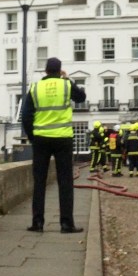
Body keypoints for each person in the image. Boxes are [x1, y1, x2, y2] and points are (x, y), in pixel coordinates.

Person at [21, 56, 87, 233]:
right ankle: (66, 224)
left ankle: (37, 223)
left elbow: (26, 115)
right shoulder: (66, 85)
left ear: (45, 71)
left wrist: (33, 137)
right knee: (65, 182)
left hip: (41, 139)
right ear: (60, 70)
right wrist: (68, 79)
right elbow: (81, 97)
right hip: (62, 139)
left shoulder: (35, 88)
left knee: (39, 182)